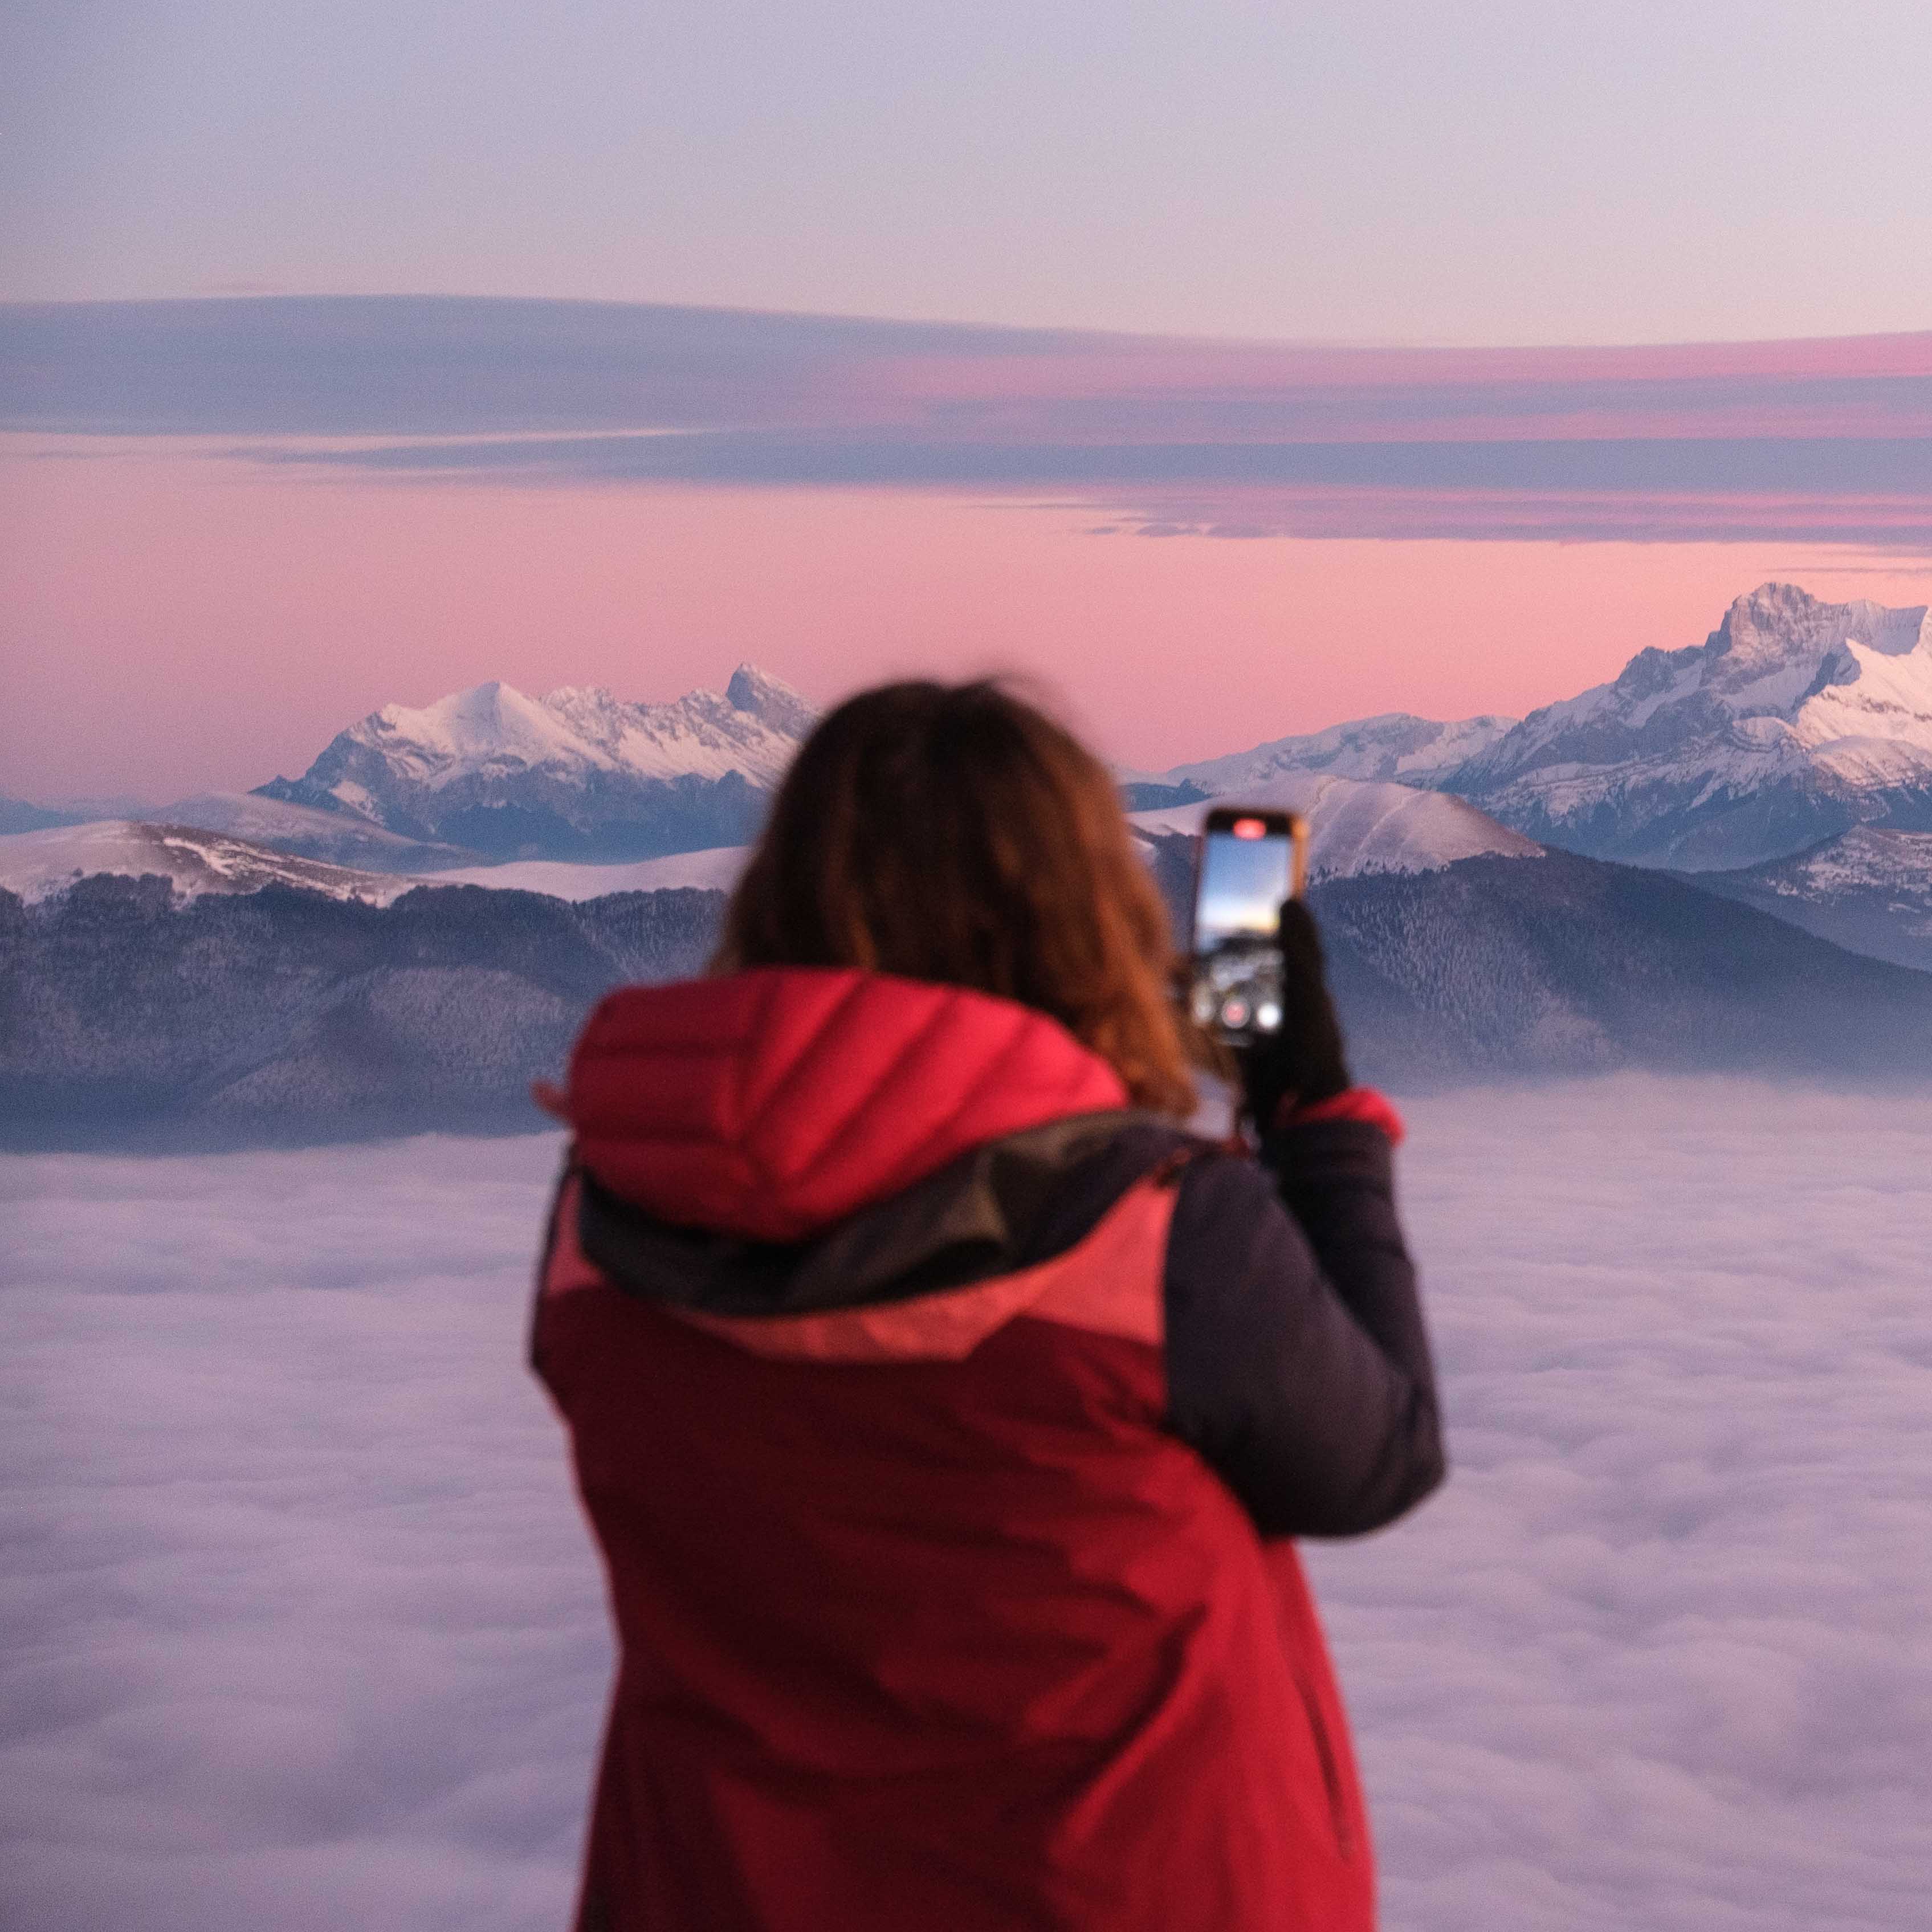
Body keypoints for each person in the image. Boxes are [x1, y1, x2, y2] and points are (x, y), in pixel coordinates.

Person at [528, 679, 1441, 1931]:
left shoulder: (602, 1226)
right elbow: (1379, 1457)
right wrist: (1314, 1112)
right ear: (1083, 917)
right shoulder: (1154, 1234)